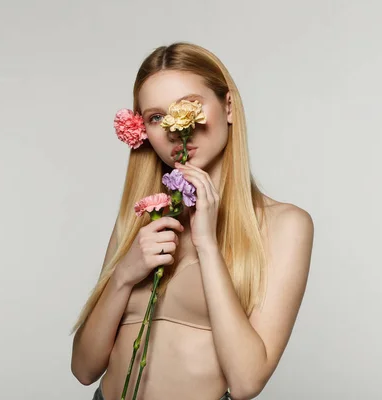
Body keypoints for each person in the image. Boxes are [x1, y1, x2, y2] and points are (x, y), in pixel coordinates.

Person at [70, 42, 314, 400]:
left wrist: (207, 245)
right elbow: (83, 369)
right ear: (143, 129)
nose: (175, 127)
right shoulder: (140, 218)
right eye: (156, 117)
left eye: (189, 107)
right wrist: (123, 275)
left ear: (228, 106)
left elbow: (247, 382)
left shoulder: (284, 225)